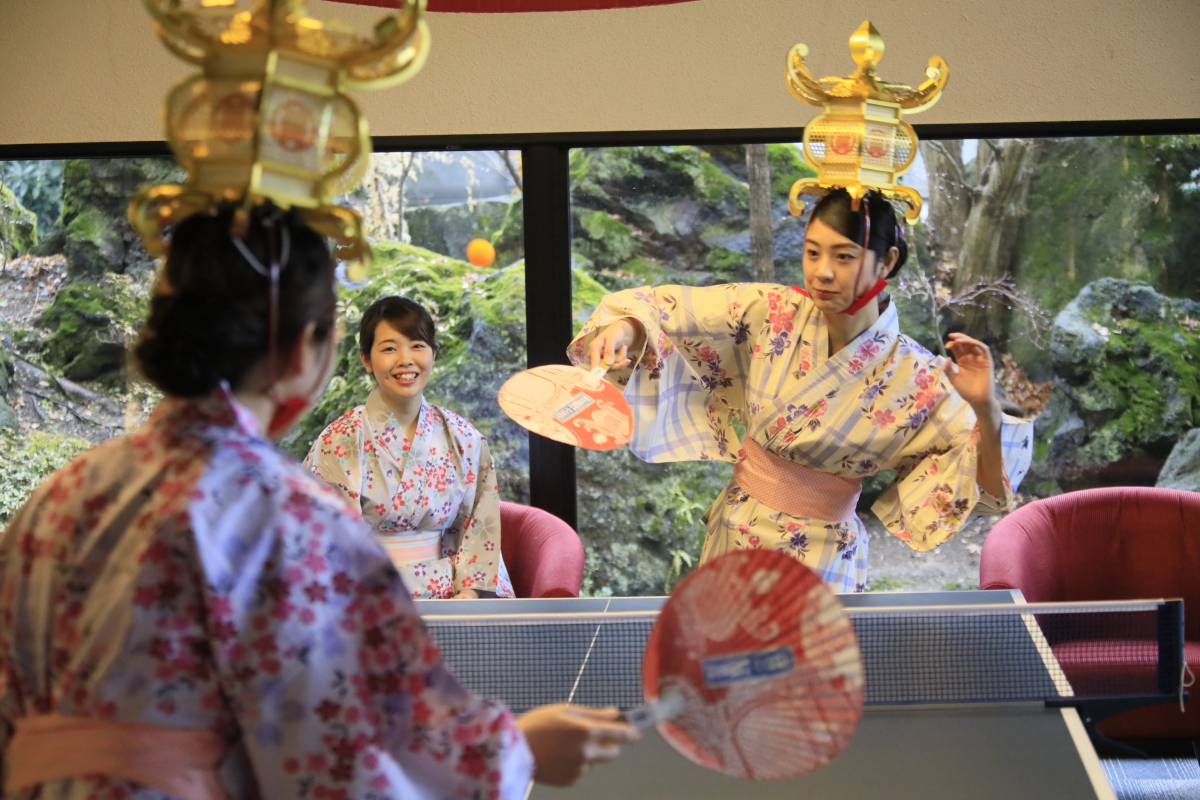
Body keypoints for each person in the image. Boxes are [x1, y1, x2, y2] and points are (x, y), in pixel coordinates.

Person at [0, 205, 638, 800]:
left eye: (416, 344)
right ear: (313, 349)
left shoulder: (59, 499)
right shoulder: (294, 518)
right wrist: (515, 751)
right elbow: (339, 746)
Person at [571, 189, 1033, 593]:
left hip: (824, 562)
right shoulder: (769, 311)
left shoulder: (919, 377)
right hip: (737, 535)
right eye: (812, 253)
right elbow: (665, 310)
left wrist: (985, 408)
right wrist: (625, 330)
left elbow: (990, 488)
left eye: (844, 256)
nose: (822, 272)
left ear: (888, 261)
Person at [304, 296, 514, 600]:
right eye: (389, 348)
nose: (405, 359)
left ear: (433, 354)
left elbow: (479, 525)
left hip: (451, 596)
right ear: (366, 359)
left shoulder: (463, 436)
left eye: (417, 345)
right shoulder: (341, 439)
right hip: (368, 595)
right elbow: (326, 538)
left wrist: (469, 595)